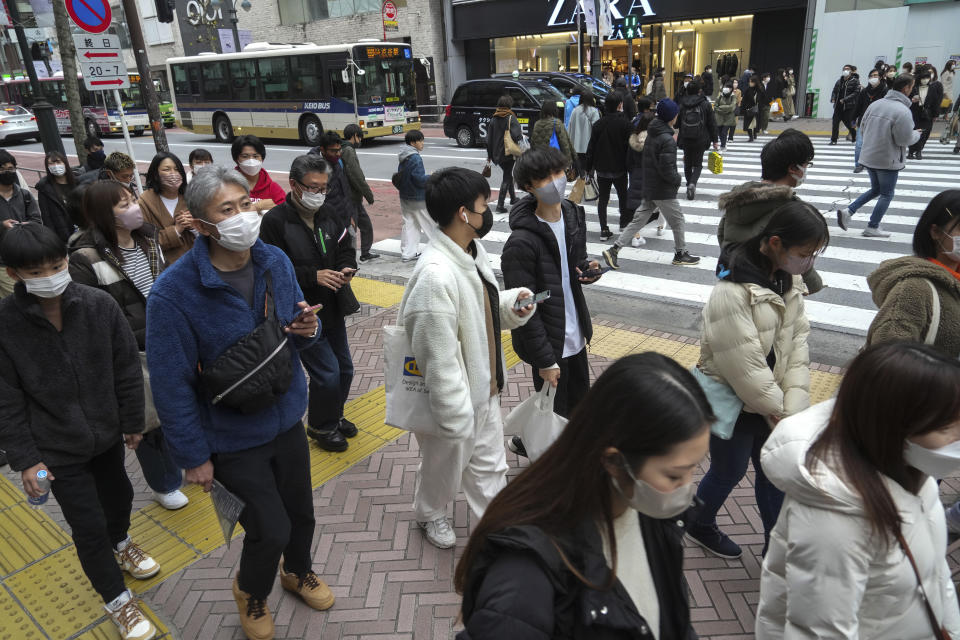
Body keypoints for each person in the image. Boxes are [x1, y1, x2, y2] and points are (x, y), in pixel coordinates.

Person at [146, 166, 332, 640]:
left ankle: (298, 570)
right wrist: (192, 457)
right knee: (269, 528)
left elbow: (296, 331)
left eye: (245, 204)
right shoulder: (173, 293)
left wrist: (310, 331)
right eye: (226, 210)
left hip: (286, 415)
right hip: (230, 436)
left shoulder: (275, 262)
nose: (242, 217)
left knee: (301, 513)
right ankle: (251, 591)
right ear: (201, 223)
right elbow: (171, 383)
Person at [454, 353, 710, 640]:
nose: (688, 489)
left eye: (694, 469)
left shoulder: (649, 510)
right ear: (614, 462)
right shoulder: (524, 580)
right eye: (675, 475)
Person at [0, 223, 159, 640]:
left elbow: (125, 366)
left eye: (56, 265)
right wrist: (26, 459)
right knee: (87, 526)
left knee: (120, 496)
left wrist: (131, 420)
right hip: (55, 447)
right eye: (36, 272)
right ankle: (118, 600)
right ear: (14, 274)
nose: (50, 276)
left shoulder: (97, 305)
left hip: (106, 434)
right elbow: (7, 399)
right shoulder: (5, 325)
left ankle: (122, 542)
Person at [755, 342, 960, 640]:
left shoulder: (912, 471)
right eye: (946, 429)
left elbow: (936, 574)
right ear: (891, 427)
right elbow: (819, 631)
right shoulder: (833, 522)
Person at [399, 167, 535, 549]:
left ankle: (497, 533)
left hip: (484, 389)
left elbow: (480, 314)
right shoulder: (435, 276)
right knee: (442, 469)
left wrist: (513, 306)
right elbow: (437, 361)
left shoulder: (471, 252)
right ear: (463, 213)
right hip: (455, 405)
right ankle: (430, 513)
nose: (487, 213)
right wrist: (456, 419)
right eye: (482, 206)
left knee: (490, 467)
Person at [688, 201, 826, 559]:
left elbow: (798, 344)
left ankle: (775, 551)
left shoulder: (789, 281)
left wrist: (791, 410)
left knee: (774, 475)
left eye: (814, 254)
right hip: (736, 401)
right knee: (728, 471)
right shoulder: (731, 292)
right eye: (804, 253)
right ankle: (699, 522)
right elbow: (743, 368)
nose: (809, 263)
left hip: (772, 402)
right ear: (775, 243)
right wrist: (778, 411)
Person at [68, 181, 188, 511]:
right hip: (131, 352)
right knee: (148, 421)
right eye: (124, 205)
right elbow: (93, 315)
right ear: (102, 215)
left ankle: (186, 462)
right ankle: (164, 483)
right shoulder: (85, 258)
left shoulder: (149, 240)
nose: (134, 207)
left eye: (132, 199)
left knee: (179, 408)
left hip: (167, 339)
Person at [501, 147, 602, 458]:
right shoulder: (521, 243)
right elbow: (524, 310)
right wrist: (544, 361)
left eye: (558, 173)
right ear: (529, 187)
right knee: (553, 417)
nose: (555, 181)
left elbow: (574, 267)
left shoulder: (573, 214)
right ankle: (550, 472)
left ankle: (537, 446)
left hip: (575, 334)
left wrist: (588, 272)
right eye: (544, 178)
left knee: (578, 412)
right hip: (549, 343)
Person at [261, 154, 359, 453]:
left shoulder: (330, 213)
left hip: (332, 306)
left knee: (345, 370)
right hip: (301, 313)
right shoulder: (275, 222)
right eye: (312, 187)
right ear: (294, 184)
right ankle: (320, 426)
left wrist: (345, 268)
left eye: (323, 188)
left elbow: (345, 247)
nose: (319, 194)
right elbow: (272, 270)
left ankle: (334, 414)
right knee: (326, 373)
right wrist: (312, 276)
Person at [718, 130, 822, 294]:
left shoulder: (738, 199)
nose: (806, 169)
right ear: (793, 168)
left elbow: (722, 236)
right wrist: (814, 284)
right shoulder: (790, 209)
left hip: (734, 280)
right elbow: (800, 254)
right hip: (770, 287)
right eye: (806, 164)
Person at [603, 99, 700, 268]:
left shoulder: (653, 133)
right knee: (678, 220)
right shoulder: (667, 139)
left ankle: (614, 250)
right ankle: (680, 253)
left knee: (638, 220)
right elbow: (666, 168)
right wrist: (677, 180)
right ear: (672, 117)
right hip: (662, 189)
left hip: (651, 186)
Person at [837, 74, 921, 238]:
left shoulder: (876, 104)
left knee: (876, 189)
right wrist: (915, 135)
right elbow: (904, 139)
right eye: (911, 87)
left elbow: (863, 127)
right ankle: (872, 226)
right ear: (905, 89)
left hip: (869, 156)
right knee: (887, 193)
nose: (912, 91)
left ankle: (848, 211)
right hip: (887, 159)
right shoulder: (903, 111)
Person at [586, 93, 633, 240]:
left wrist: (588, 168)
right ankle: (623, 223)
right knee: (623, 196)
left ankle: (604, 229)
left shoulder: (598, 124)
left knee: (603, 199)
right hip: (620, 167)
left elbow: (591, 148)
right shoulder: (626, 124)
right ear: (620, 105)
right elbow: (629, 148)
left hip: (602, 167)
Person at [138, 152, 195, 264]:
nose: (173, 174)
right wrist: (176, 230)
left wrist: (194, 227)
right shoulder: (144, 203)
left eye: (177, 169)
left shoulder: (191, 197)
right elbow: (145, 243)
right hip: (166, 268)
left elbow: (208, 234)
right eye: (166, 169)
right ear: (155, 174)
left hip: (195, 261)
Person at [0, 149, 41, 298]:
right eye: (2, 169)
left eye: (10, 169)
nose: (7, 172)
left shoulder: (25, 195)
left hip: (25, 257)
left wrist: (27, 225)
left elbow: (37, 220)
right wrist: (2, 226)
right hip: (3, 263)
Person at [340, 124, 378, 261]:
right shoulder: (348, 150)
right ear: (355, 135)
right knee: (352, 230)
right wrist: (369, 194)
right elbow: (355, 175)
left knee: (366, 225)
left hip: (354, 197)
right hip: (350, 198)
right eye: (359, 137)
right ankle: (348, 259)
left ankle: (365, 253)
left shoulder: (345, 149)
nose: (360, 140)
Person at [676, 80, 719, 201]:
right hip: (701, 138)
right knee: (698, 164)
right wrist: (715, 140)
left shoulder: (682, 104)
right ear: (699, 91)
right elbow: (712, 123)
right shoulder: (705, 104)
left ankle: (689, 182)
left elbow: (677, 124)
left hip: (686, 138)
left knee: (688, 162)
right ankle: (692, 184)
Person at [397, 130, 433, 261]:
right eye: (420, 141)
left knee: (409, 224)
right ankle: (441, 248)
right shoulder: (415, 158)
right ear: (413, 142)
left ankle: (408, 254)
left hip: (404, 196)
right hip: (417, 197)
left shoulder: (403, 155)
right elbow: (419, 179)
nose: (422, 143)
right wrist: (431, 177)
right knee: (429, 223)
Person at [625, 98, 656, 248]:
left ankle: (635, 234)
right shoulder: (653, 140)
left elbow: (628, 159)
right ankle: (636, 235)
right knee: (648, 205)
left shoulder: (634, 138)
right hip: (649, 174)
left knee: (636, 204)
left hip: (636, 172)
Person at [231, 134, 285, 213]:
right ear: (236, 159)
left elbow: (286, 213)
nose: (251, 160)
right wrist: (257, 207)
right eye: (245, 156)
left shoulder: (273, 188)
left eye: (255, 156)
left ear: (262, 159)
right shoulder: (228, 186)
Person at [486, 95, 522, 213]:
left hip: (496, 154)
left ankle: (513, 198)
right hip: (508, 153)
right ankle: (500, 205)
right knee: (507, 176)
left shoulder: (493, 119)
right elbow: (517, 136)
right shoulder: (511, 117)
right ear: (509, 105)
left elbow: (488, 140)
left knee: (507, 174)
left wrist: (490, 155)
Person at [853, 68, 889, 172]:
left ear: (881, 77)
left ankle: (874, 163)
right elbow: (858, 106)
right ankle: (858, 164)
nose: (873, 78)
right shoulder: (864, 91)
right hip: (863, 121)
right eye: (871, 76)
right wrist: (853, 118)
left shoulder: (885, 91)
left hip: (878, 122)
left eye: (875, 75)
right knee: (859, 144)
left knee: (875, 144)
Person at [36, 150, 76, 243]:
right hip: (63, 235)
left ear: (64, 162)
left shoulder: (77, 181)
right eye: (51, 164)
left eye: (58, 162)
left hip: (83, 229)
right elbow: (46, 217)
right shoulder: (44, 187)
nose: (55, 166)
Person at [908, 64, 944, 160]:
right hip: (914, 113)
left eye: (927, 77)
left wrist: (936, 114)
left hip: (927, 114)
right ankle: (911, 151)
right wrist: (912, 100)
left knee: (924, 133)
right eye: (923, 78)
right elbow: (907, 98)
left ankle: (919, 151)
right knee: (913, 131)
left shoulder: (932, 88)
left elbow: (936, 102)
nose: (925, 80)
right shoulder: (914, 88)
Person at [530, 100, 576, 170]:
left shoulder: (537, 124)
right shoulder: (557, 123)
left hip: (541, 160)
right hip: (555, 160)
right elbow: (564, 143)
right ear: (555, 110)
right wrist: (569, 161)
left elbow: (533, 143)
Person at [566, 91, 600, 178]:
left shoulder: (575, 111)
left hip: (576, 147)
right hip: (589, 147)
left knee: (579, 173)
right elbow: (597, 129)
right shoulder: (594, 111)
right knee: (589, 172)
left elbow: (570, 127)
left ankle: (580, 186)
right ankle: (588, 186)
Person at [830, 64, 859, 144]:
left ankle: (854, 134)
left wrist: (845, 99)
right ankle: (834, 140)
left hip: (848, 107)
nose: (845, 70)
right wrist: (833, 98)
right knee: (835, 123)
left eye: (847, 69)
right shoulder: (839, 81)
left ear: (851, 71)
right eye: (844, 69)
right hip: (838, 106)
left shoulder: (855, 81)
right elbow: (834, 91)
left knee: (849, 124)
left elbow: (856, 92)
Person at [715, 82, 738, 150]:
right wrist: (725, 108)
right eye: (725, 87)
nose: (726, 89)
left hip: (728, 118)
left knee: (724, 132)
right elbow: (716, 106)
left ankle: (723, 145)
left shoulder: (733, 96)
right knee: (719, 133)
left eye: (728, 87)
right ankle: (723, 143)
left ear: (731, 89)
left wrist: (721, 107)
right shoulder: (720, 95)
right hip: (719, 117)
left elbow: (732, 107)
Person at [741, 75, 764, 142]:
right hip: (749, 110)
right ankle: (751, 137)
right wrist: (743, 108)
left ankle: (754, 133)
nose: (749, 83)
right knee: (749, 124)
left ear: (755, 82)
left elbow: (763, 99)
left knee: (755, 124)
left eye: (751, 82)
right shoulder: (748, 90)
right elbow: (744, 100)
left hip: (757, 110)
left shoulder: (760, 90)